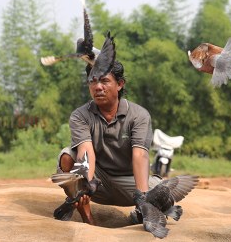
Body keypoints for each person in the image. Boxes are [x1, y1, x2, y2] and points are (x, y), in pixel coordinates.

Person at [56, 60, 161, 225]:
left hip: (129, 181)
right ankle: (88, 220)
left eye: (104, 81)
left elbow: (140, 155)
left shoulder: (139, 115)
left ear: (119, 84)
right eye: (93, 81)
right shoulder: (80, 115)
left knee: (164, 191)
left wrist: (142, 200)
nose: (97, 87)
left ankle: (139, 214)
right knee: (68, 156)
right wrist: (84, 186)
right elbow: (85, 150)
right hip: (97, 180)